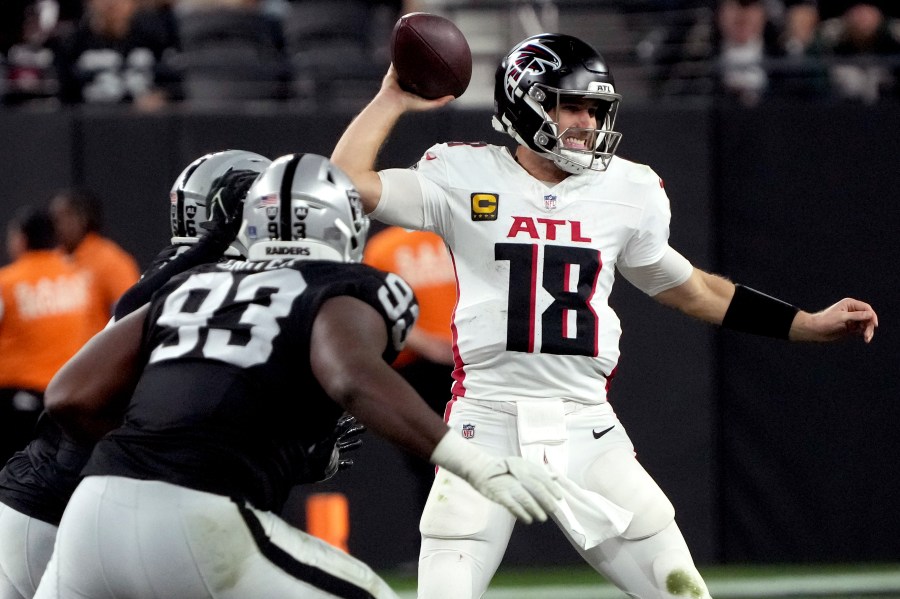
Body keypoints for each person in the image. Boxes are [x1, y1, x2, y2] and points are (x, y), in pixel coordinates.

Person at [330, 32, 879, 599]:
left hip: (586, 426)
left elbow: (692, 290)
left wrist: (804, 322)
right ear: (526, 100)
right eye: (572, 105)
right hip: (484, 423)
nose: (587, 123)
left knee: (682, 592)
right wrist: (392, 97)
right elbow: (344, 184)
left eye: (595, 109)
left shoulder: (627, 190)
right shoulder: (463, 174)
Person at [33, 153, 562, 599]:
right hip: (200, 514)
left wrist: (160, 443)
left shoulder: (187, 285)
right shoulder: (349, 284)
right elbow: (350, 377)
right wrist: (475, 463)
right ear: (343, 223)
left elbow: (67, 395)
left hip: (93, 511)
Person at [0, 150, 269, 599]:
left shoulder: (206, 277)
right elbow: (122, 327)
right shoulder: (184, 277)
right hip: (61, 492)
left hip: (102, 497)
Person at [363, 226, 455, 509]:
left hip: (473, 362)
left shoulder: (463, 231)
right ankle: (434, 546)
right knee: (432, 464)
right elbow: (373, 306)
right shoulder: (384, 247)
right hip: (418, 369)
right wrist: (427, 343)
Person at [0, 206, 93, 466]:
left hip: (15, 401)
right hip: (67, 396)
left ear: (21, 239)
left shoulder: (7, 282)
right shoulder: (77, 278)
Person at [49, 186, 140, 335]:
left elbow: (131, 314)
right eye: (53, 219)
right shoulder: (50, 260)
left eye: (61, 218)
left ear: (82, 218)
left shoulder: (111, 260)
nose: (55, 226)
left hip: (96, 354)